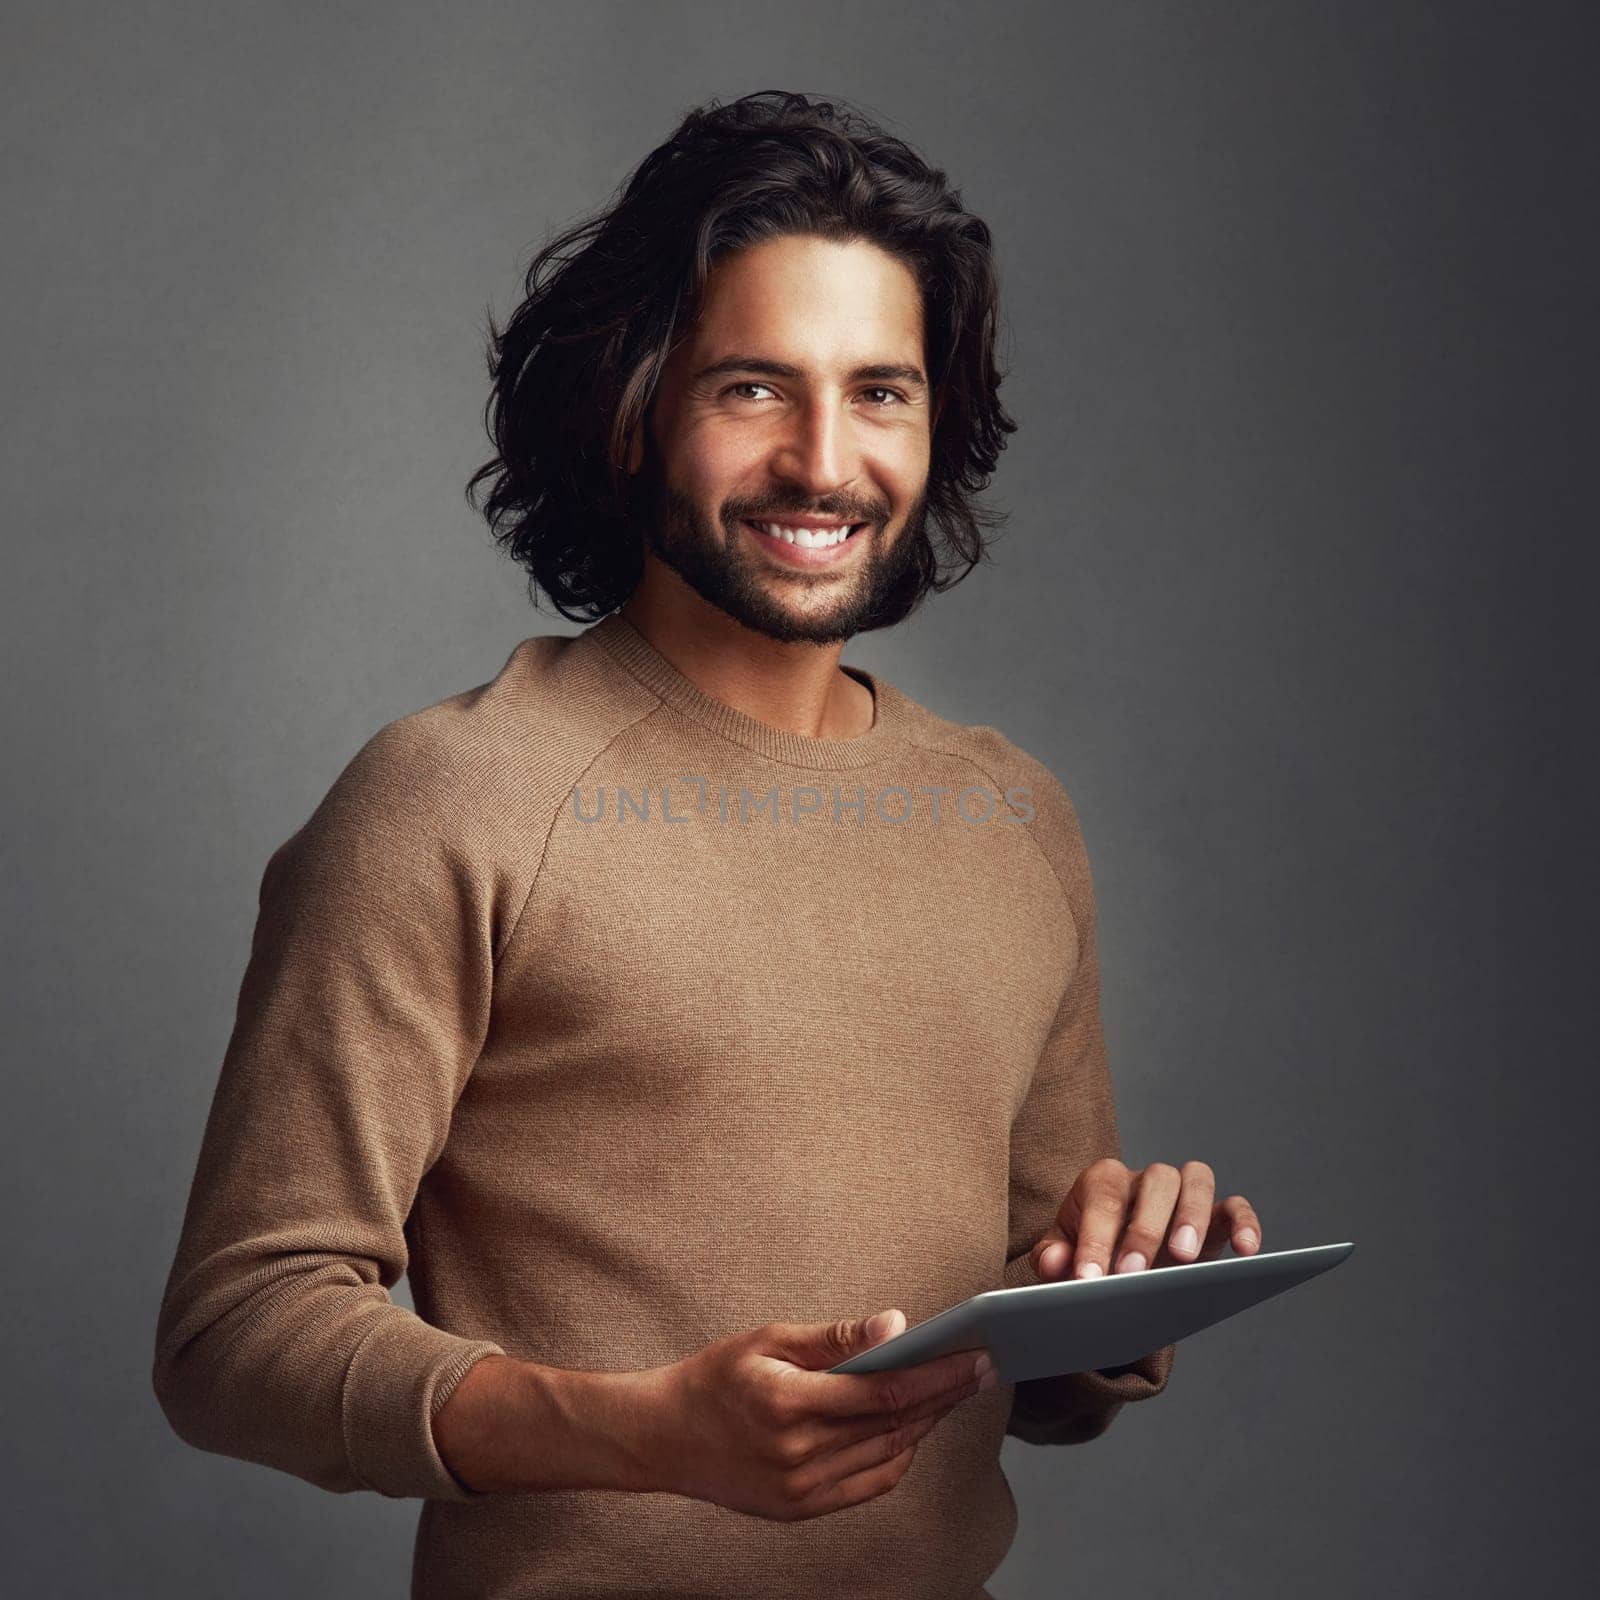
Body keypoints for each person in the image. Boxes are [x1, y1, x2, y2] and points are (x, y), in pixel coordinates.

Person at [152, 89, 1262, 1599]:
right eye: (754, 387)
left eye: (881, 392)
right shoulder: (452, 799)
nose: (824, 461)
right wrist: (640, 1432)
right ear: (636, 406)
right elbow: (237, 1331)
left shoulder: (1015, 819)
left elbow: (1021, 1362)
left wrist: (1106, 1308)